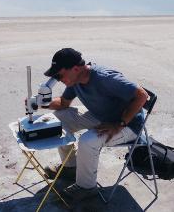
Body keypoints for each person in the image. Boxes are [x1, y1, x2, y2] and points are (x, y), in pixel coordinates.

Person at [42, 48, 149, 201]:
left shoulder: (104, 78)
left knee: (87, 141)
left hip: (128, 124)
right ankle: (71, 167)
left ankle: (86, 187)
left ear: (76, 68)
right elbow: (64, 103)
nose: (59, 79)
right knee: (58, 120)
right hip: (100, 115)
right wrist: (41, 103)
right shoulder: (75, 80)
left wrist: (119, 124)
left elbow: (142, 95)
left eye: (60, 75)